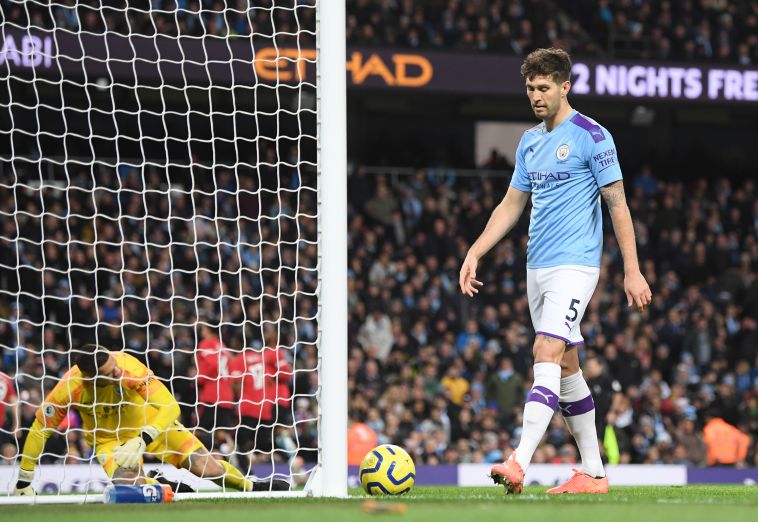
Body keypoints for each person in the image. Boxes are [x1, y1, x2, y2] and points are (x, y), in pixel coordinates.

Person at [459, 48, 652, 494]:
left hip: (576, 265)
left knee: (545, 350)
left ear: (565, 86)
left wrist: (632, 270)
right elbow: (512, 204)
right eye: (530, 88)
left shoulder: (593, 135)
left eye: (544, 87)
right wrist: (476, 250)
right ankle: (593, 472)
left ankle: (517, 461)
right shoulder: (529, 141)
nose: (536, 96)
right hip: (537, 267)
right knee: (566, 367)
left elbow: (618, 205)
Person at [12, 344, 288, 495]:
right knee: (134, 490)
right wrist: (24, 480)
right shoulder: (70, 388)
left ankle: (253, 487)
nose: (118, 373)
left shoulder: (129, 367)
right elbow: (39, 430)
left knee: (208, 469)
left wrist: (145, 437)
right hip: (111, 443)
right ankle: (161, 484)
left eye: (115, 366)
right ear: (91, 378)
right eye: (110, 373)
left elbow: (170, 406)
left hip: (152, 426)